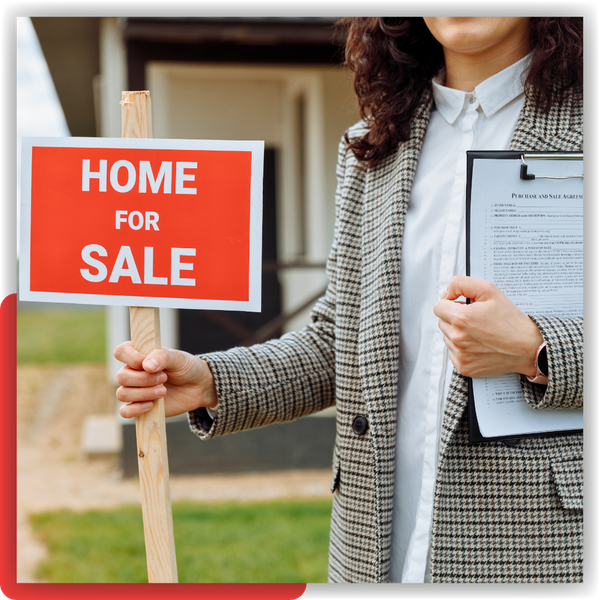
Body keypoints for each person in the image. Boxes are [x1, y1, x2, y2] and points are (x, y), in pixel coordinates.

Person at [114, 17, 584, 584]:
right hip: (373, 546)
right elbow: (340, 340)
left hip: (544, 545)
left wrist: (538, 350)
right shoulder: (372, 146)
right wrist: (212, 381)